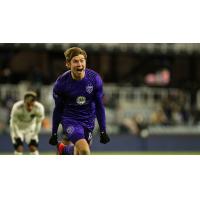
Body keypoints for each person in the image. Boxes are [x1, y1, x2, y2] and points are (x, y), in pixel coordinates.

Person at [49, 47, 110, 155]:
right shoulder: (61, 83)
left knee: (78, 152)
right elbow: (58, 109)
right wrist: (54, 133)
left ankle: (64, 150)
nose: (79, 64)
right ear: (68, 64)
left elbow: (99, 106)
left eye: (82, 60)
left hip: (88, 120)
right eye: (75, 61)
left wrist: (103, 130)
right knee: (85, 151)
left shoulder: (94, 79)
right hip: (70, 119)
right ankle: (65, 149)